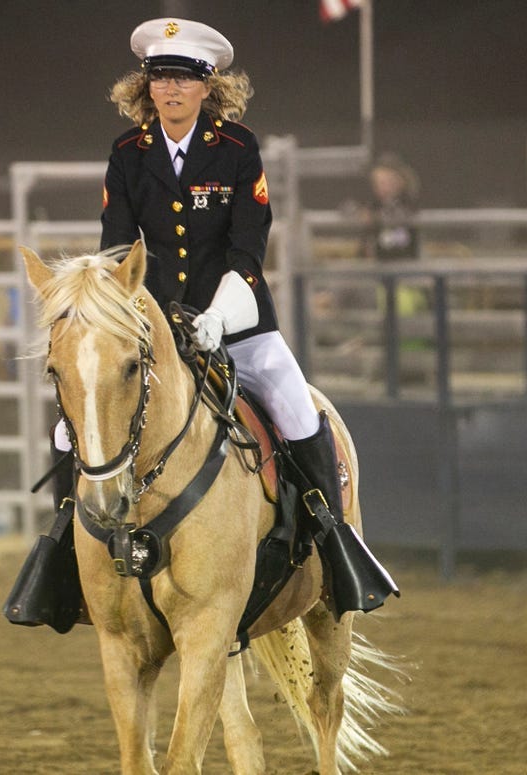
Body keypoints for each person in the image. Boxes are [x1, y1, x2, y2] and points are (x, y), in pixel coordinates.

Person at [30, 18, 397, 625]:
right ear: (145, 86)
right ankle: (65, 560)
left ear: (207, 86)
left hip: (238, 316)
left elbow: (248, 249)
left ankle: (335, 547)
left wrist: (218, 317)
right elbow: (118, 250)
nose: (169, 89)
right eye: (159, 78)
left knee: (299, 411)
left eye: (183, 78)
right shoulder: (127, 155)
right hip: (150, 325)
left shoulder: (237, 149)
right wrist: (120, 316)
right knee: (71, 432)